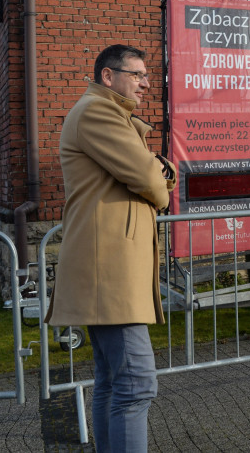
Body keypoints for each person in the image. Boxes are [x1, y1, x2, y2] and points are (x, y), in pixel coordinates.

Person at [45, 44, 176, 452]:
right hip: (109, 276)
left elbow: (153, 175)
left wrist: (156, 172)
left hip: (108, 272)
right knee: (137, 385)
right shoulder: (98, 112)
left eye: (145, 75)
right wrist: (160, 176)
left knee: (112, 380)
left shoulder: (107, 115)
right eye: (136, 74)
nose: (145, 83)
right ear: (108, 76)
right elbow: (155, 183)